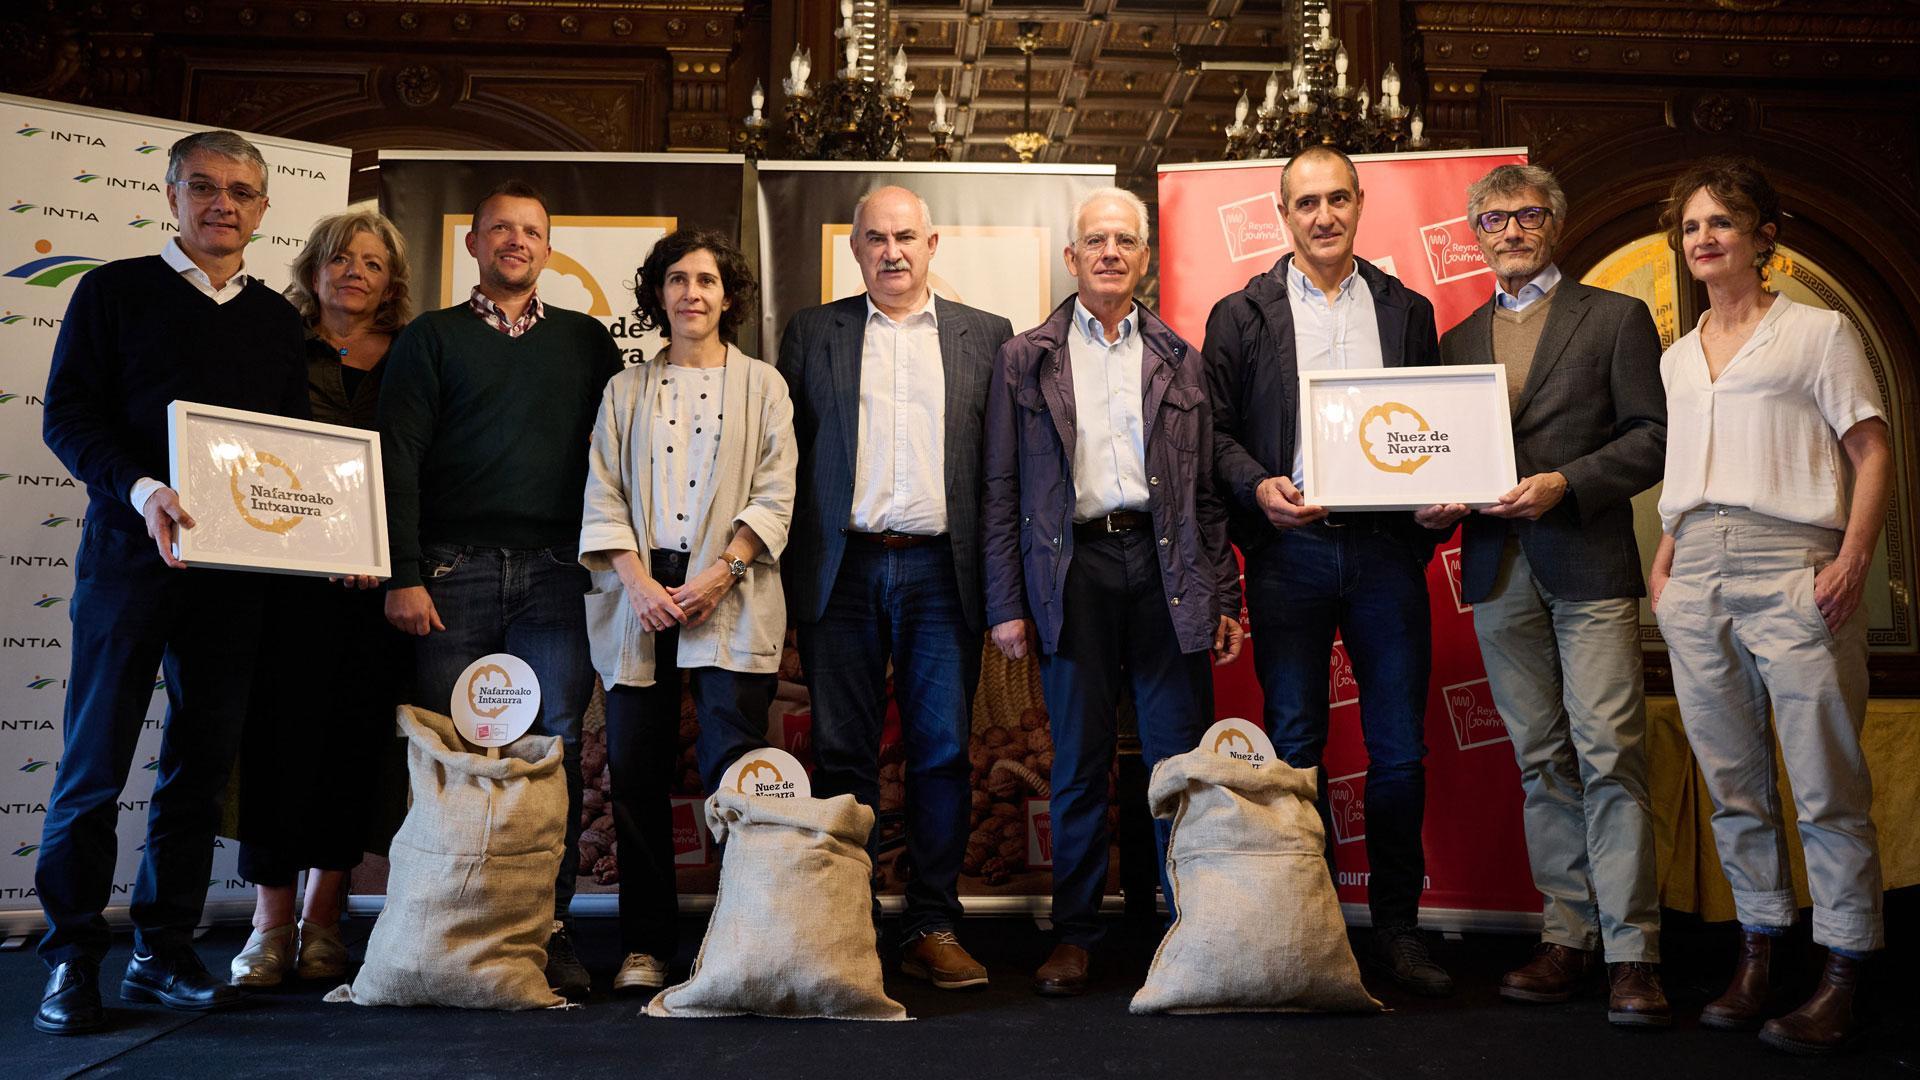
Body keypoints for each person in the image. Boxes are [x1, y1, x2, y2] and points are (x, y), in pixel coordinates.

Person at [34, 130, 308, 1034]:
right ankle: (72, 957)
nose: (222, 203)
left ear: (264, 209)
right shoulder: (111, 291)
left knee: (195, 769)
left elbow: (295, 460)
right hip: (126, 562)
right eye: (205, 187)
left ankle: (162, 949)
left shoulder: (276, 320)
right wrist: (143, 487)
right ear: (172, 193)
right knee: (93, 766)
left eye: (241, 191)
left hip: (234, 577)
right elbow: (67, 418)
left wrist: (323, 529)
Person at [1649, 158, 1892, 1056]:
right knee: (1732, 787)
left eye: (1722, 222)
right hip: (1695, 568)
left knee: (1826, 783)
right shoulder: (1677, 356)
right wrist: (1667, 569)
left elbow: (1871, 451)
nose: (1704, 237)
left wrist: (1852, 559)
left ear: (1763, 237)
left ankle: (1843, 969)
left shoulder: (1817, 333)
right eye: (1691, 227)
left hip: (1794, 562)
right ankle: (1758, 955)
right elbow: (1687, 475)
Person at [1417, 165, 1669, 1025]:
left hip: (1588, 563)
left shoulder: (1616, 318)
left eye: (1527, 215)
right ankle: (1568, 936)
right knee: (1541, 761)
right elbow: (1438, 459)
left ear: (1554, 224)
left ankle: (1634, 952)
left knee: (1610, 756)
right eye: (1494, 219)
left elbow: (1651, 441)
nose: (1511, 230)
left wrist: (1568, 481)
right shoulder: (1453, 342)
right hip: (1495, 571)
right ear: (1476, 236)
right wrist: (1434, 501)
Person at [1202, 145, 1453, 996]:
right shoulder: (1241, 315)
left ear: (1358, 203)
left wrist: (1430, 501)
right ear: (1282, 215)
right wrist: (1258, 488)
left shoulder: (1407, 310)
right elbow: (1217, 438)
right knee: (1297, 746)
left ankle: (1398, 934)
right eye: (1304, 202)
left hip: (1384, 553)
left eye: (1336, 198)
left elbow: (1432, 429)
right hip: (1290, 555)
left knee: (1399, 754)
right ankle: (1308, 926)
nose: (1322, 216)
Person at [984, 186, 1243, 996]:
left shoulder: (1178, 356)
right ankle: (1076, 933)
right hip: (1075, 574)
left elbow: (1205, 491)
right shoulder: (1025, 357)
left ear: (1144, 258)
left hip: (1168, 568)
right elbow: (1001, 486)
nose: (1108, 253)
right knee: (1080, 763)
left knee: (1178, 761)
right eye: (1094, 240)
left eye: (1123, 241)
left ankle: (1183, 926)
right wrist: (1005, 602)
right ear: (1072, 258)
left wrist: (1225, 592)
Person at [378, 180, 623, 1000]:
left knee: (550, 753)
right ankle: (447, 925)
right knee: (450, 752)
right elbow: (397, 459)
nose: (516, 241)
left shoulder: (589, 343)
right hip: (450, 574)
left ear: (548, 250)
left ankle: (544, 931)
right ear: (474, 246)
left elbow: (618, 462)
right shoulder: (431, 338)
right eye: (500, 230)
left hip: (559, 575)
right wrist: (403, 574)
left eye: (532, 231)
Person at [777, 186, 1013, 990]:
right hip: (839, 570)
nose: (892, 252)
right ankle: (849, 920)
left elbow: (1003, 472)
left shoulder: (987, 336)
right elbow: (784, 462)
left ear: (933, 242)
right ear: (854, 247)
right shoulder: (814, 332)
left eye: (906, 236)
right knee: (843, 753)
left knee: (941, 754)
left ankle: (932, 923)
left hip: (941, 573)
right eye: (875, 238)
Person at [579, 228, 795, 994]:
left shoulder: (763, 384)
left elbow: (776, 489)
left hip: (727, 593)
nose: (691, 293)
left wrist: (723, 573)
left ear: (728, 296)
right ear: (659, 295)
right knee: (634, 777)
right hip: (639, 598)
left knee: (733, 773)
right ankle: (646, 945)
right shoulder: (625, 390)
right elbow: (602, 490)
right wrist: (636, 582)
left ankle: (742, 937)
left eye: (706, 280)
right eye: (677, 280)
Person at [228, 210, 415, 989]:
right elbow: (237, 450)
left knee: (353, 748)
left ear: (390, 282)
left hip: (375, 591)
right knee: (273, 745)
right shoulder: (270, 342)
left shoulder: (414, 356)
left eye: (371, 264)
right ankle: (269, 923)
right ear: (313, 269)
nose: (354, 274)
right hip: (279, 583)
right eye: (340, 259)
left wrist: (388, 557)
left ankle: (325, 921)